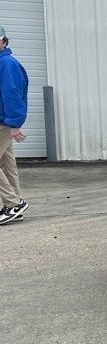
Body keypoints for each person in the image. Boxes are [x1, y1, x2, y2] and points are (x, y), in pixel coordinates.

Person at [0, 25, 29, 225]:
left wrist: (15, 123)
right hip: (4, 122)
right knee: (6, 164)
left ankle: (13, 204)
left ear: (3, 40)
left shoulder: (7, 63)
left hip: (3, 123)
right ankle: (14, 204)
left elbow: (13, 95)